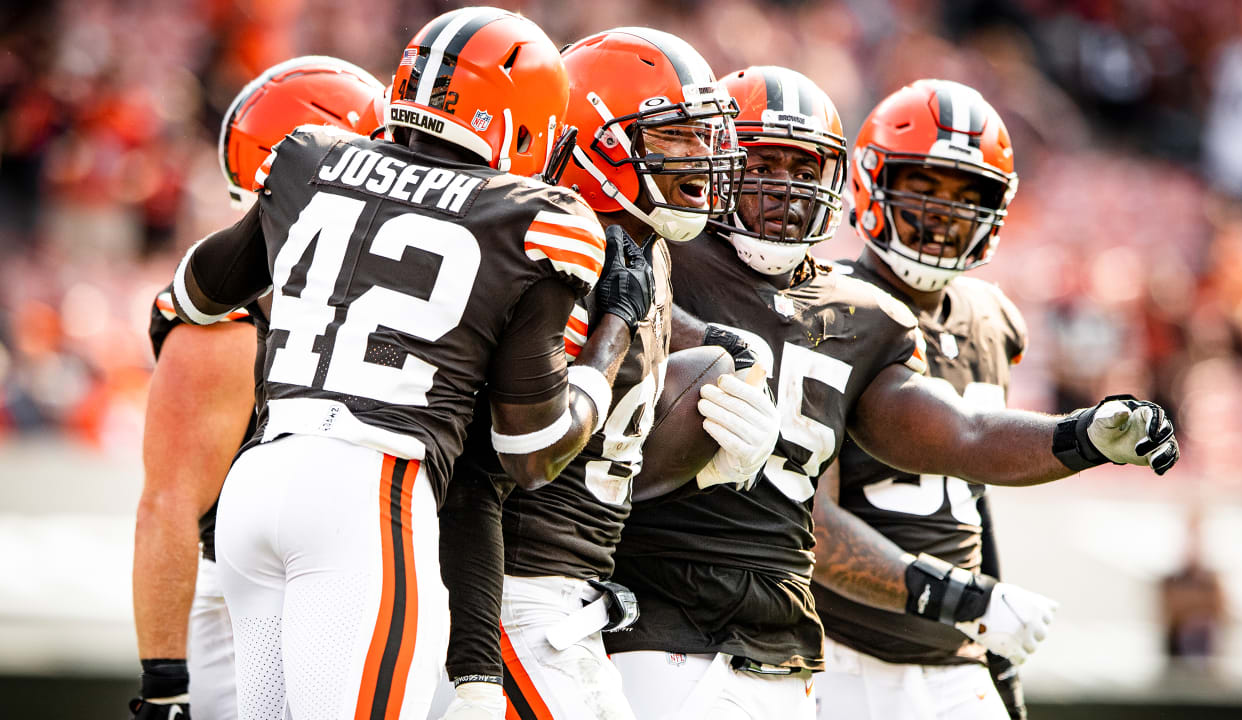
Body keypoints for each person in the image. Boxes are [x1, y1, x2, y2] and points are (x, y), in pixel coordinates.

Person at [607, 70, 1179, 720]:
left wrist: (1076, 436)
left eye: (805, 168)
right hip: (693, 623)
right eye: (765, 162)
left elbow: (962, 447)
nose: (787, 189)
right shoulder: (662, 257)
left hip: (788, 643)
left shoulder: (866, 313)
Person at [166, 8, 655, 719]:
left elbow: (197, 293)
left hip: (259, 481)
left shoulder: (310, 156)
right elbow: (531, 449)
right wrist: (613, 331)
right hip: (368, 491)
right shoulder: (535, 216)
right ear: (521, 121)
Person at [491, 27, 775, 720]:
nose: (706, 157)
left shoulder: (644, 247)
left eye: (707, 136)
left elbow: (653, 321)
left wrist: (735, 354)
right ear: (598, 141)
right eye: (676, 136)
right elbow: (508, 451)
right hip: (511, 588)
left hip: (572, 591)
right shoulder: (549, 247)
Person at [130, 55, 385, 720]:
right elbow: (168, 505)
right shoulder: (229, 320)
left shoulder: (392, 298)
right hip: (251, 604)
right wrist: (165, 686)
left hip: (357, 577)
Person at [811, 79, 1045, 720]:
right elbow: (808, 522)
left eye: (968, 195)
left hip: (956, 656)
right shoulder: (828, 307)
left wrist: (994, 646)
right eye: (924, 186)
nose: (944, 213)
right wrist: (963, 599)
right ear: (872, 180)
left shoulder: (993, 318)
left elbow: (974, 495)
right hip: (844, 652)